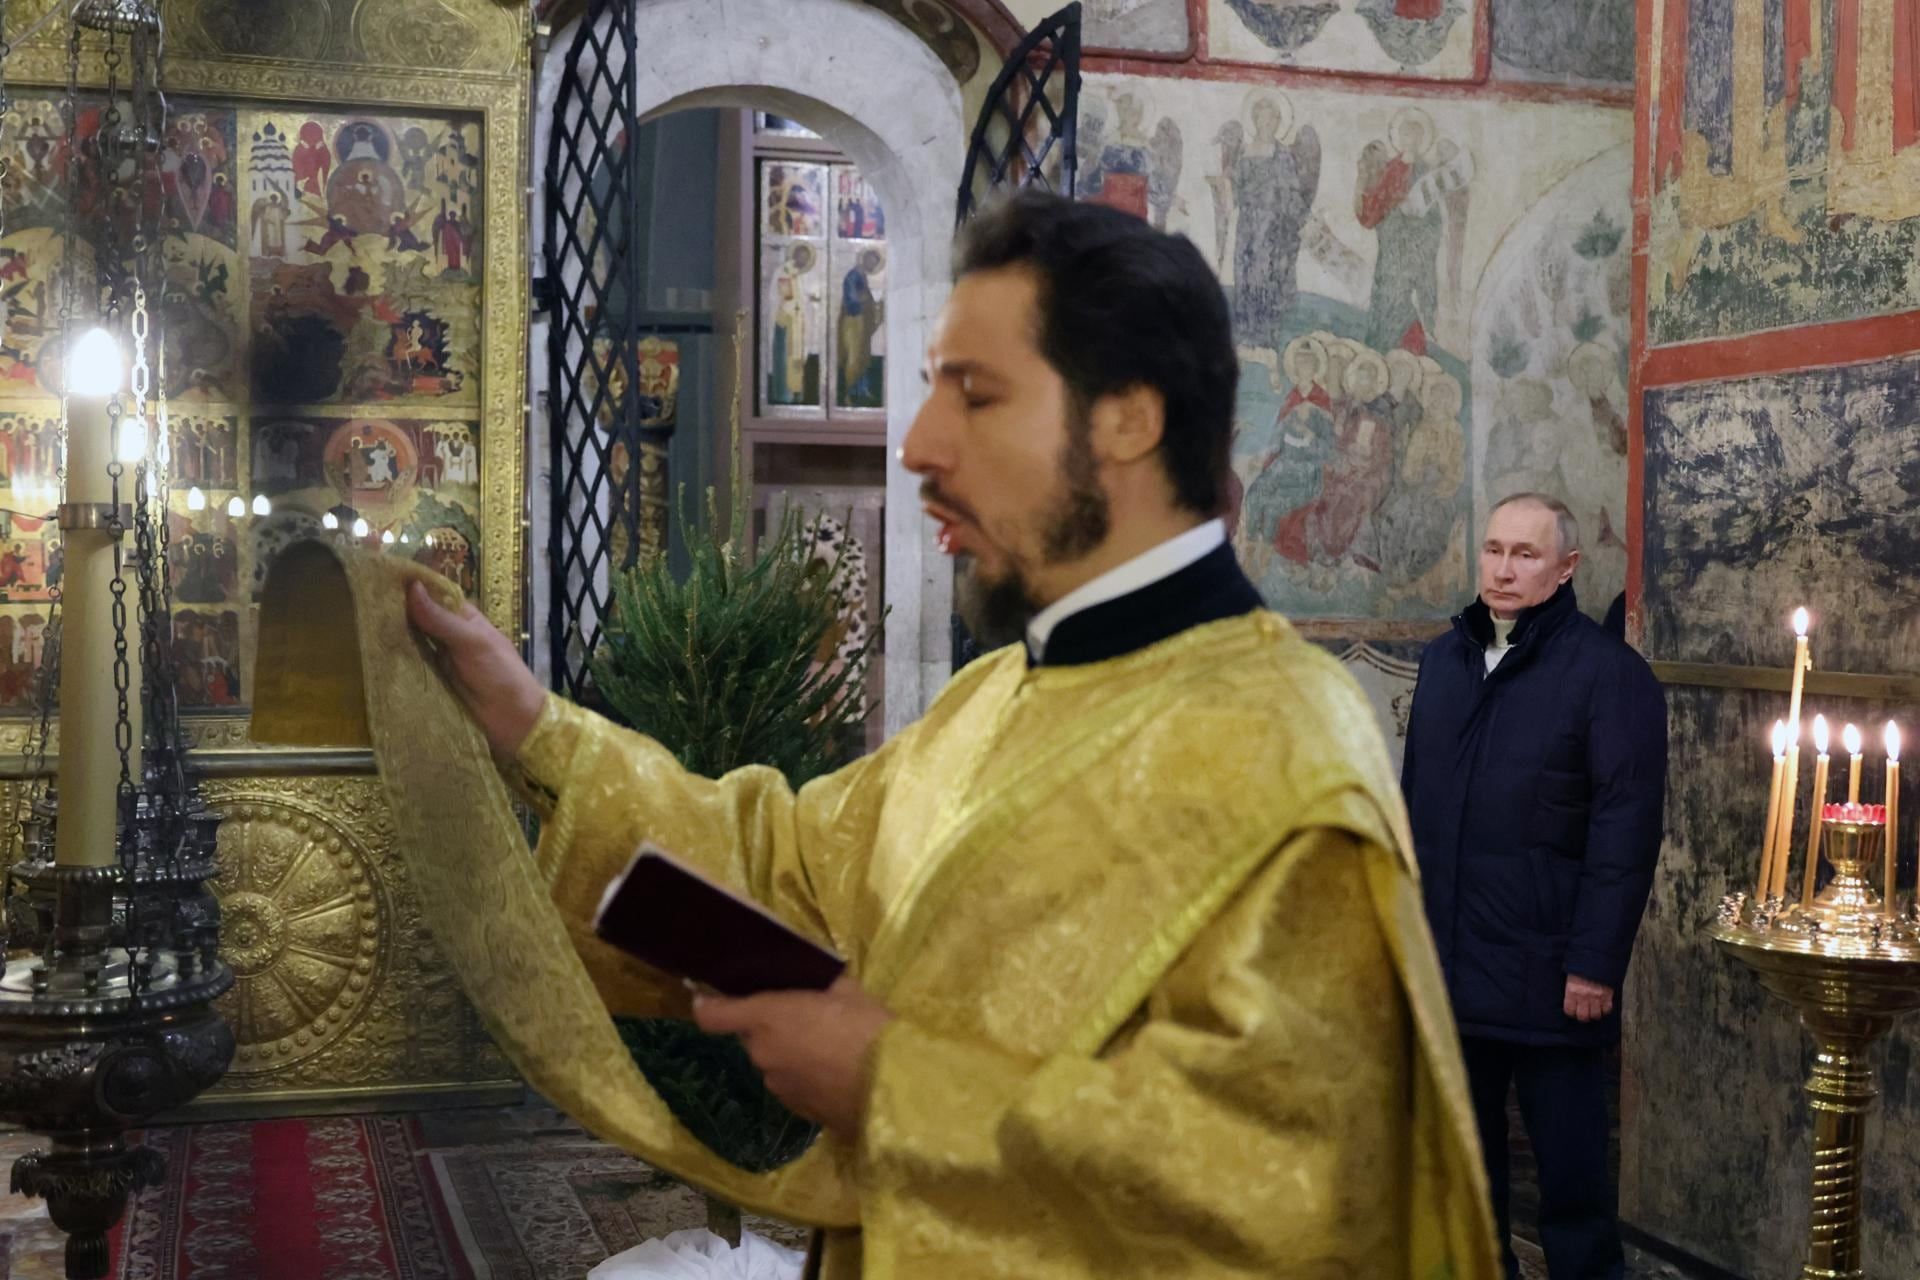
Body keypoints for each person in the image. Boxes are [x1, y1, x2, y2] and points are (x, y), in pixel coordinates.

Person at [407, 191, 1497, 1278]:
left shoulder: (1289, 752)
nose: (921, 445)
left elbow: (1307, 1199)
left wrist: (893, 1083)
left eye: (973, 394)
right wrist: (531, 723)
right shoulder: (999, 694)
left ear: (1128, 416)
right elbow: (785, 861)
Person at [1400, 493, 1667, 1280]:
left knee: (1573, 1194)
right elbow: (1416, 806)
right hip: (1455, 970)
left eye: (1524, 554)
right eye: (1493, 550)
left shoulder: (1608, 675)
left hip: (1556, 979)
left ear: (1566, 569)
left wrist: (1593, 963)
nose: (1504, 568)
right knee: (1464, 1185)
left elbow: (1626, 833)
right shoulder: (1444, 662)